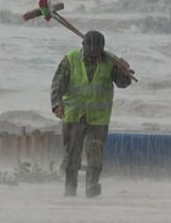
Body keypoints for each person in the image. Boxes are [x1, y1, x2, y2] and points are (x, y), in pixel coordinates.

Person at [51, 30, 132, 197]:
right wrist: (57, 105)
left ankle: (91, 188)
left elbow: (123, 84)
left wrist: (124, 71)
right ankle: (70, 190)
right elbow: (57, 84)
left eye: (96, 54)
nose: (93, 57)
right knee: (72, 155)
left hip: (98, 118)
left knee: (95, 154)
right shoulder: (70, 59)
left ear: (102, 49)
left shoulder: (110, 62)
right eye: (90, 54)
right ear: (83, 47)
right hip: (73, 115)